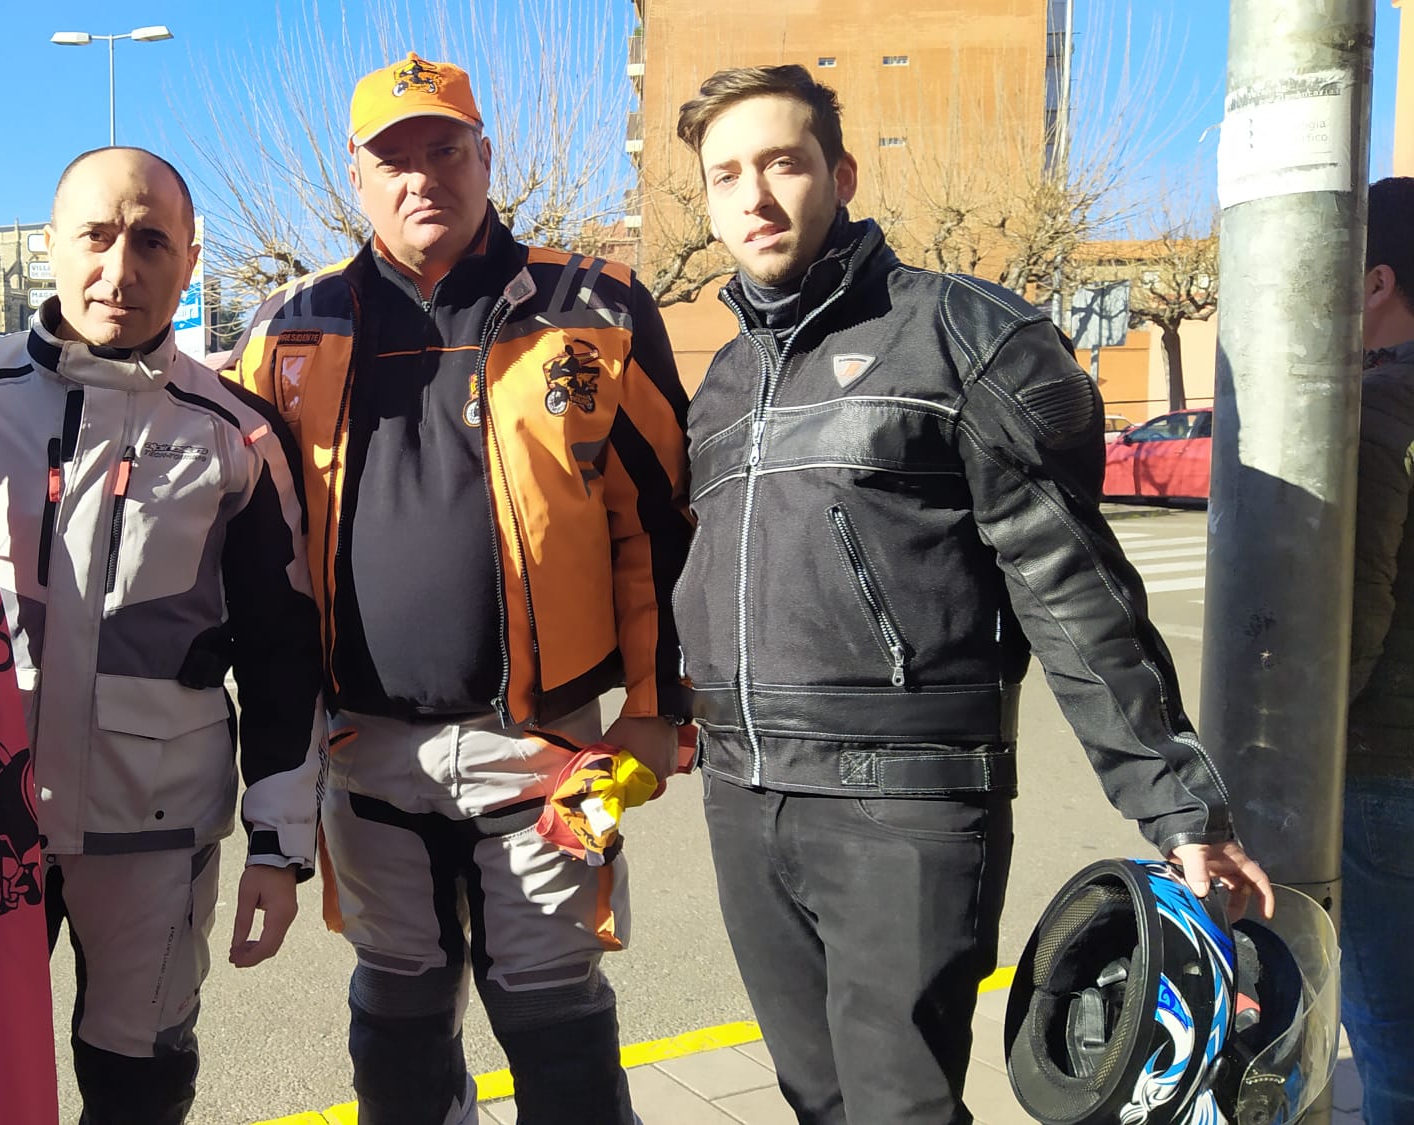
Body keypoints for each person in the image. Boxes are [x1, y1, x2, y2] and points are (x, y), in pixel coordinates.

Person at [670, 65, 1274, 1124]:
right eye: (726, 176)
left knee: (898, 1103)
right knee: (814, 1097)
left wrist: (1176, 802)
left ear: (840, 173)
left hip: (900, 800)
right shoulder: (720, 382)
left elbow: (1070, 587)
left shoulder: (961, 334)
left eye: (781, 163)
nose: (754, 197)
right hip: (743, 794)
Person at [221, 53, 692, 1125]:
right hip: (365, 753)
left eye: (445, 150)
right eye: (393, 158)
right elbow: (248, 552)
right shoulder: (285, 333)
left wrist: (659, 712)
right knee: (395, 1032)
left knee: (557, 1030)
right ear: (356, 175)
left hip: (546, 748)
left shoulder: (597, 308)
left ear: (485, 157)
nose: (420, 177)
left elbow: (660, 527)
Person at [0, 146, 325, 1125]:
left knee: (137, 1082)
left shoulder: (240, 433)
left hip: (154, 829)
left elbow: (282, 646)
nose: (119, 268)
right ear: (48, 245)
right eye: (94, 235)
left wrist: (278, 843)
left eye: (149, 242)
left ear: (185, 260)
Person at [1344, 174, 1414, 1125]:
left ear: (1376, 282)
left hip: (1389, 765)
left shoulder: (1379, 409)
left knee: (1392, 1040)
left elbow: (1349, 622)